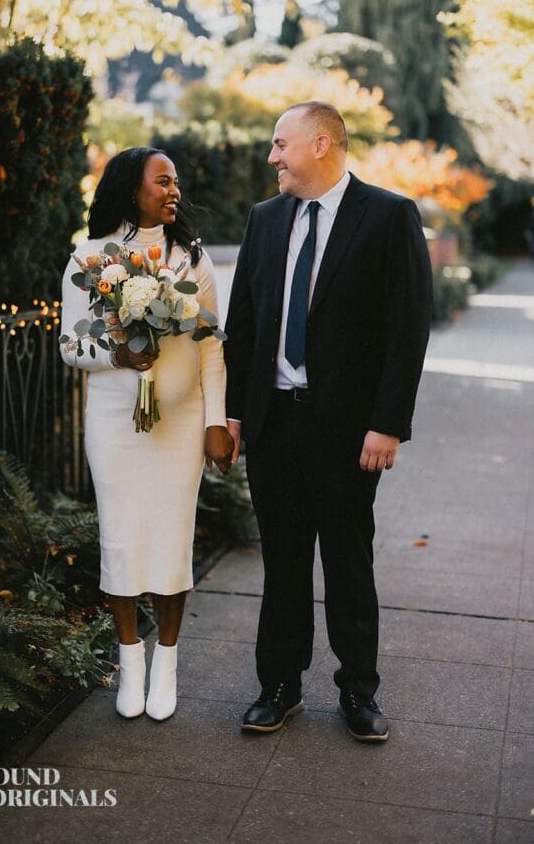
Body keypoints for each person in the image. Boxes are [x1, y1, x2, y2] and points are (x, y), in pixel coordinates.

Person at [224, 102, 432, 741]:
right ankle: (279, 687)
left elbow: (407, 327)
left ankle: (359, 693)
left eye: (281, 144)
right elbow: (246, 326)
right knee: (283, 563)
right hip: (273, 426)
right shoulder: (264, 220)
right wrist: (234, 414)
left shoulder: (390, 215)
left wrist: (388, 423)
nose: (272, 157)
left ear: (320, 144)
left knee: (348, 562)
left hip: (349, 433)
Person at [60, 147, 234, 722]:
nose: (173, 190)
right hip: (115, 424)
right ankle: (128, 660)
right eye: (162, 181)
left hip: (181, 426)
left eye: (175, 182)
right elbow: (70, 346)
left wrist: (215, 422)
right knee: (121, 536)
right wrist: (118, 354)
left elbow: (210, 347)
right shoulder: (88, 259)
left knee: (171, 538)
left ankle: (167, 662)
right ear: (130, 188)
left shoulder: (191, 258)